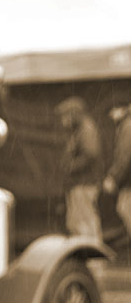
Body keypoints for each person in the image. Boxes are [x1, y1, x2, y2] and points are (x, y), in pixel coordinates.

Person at [56, 95, 103, 241]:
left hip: (84, 183)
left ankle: (95, 260)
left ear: (74, 114)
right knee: (76, 222)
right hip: (79, 184)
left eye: (66, 115)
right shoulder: (79, 130)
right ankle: (86, 257)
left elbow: (91, 154)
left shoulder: (86, 129)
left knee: (86, 221)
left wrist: (71, 167)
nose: (63, 120)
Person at [102, 101, 131, 252]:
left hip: (128, 184)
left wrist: (114, 177)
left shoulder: (127, 126)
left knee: (126, 210)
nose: (111, 115)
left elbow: (125, 155)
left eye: (113, 110)